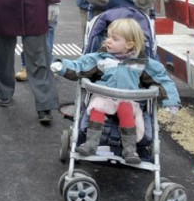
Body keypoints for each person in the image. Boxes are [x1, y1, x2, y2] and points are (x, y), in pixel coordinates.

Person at [51, 18, 180, 164]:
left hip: (128, 101)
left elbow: (162, 79)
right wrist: (62, 66)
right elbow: (80, 65)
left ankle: (130, 149)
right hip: (105, 98)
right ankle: (90, 144)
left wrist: (171, 101)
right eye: (108, 36)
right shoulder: (100, 59)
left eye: (114, 38)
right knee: (97, 106)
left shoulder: (142, 64)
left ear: (129, 44)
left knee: (126, 109)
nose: (108, 41)